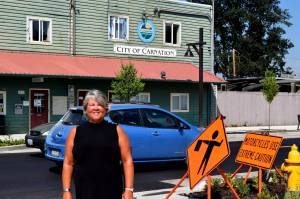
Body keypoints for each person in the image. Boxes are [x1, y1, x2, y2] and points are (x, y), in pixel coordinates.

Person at [62, 89, 134, 199]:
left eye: (100, 105)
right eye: (92, 105)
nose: (96, 108)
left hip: (111, 191)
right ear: (86, 109)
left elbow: (127, 160)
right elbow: (68, 163)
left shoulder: (117, 130)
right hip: (85, 191)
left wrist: (129, 190)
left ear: (105, 109)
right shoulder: (75, 132)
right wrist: (66, 191)